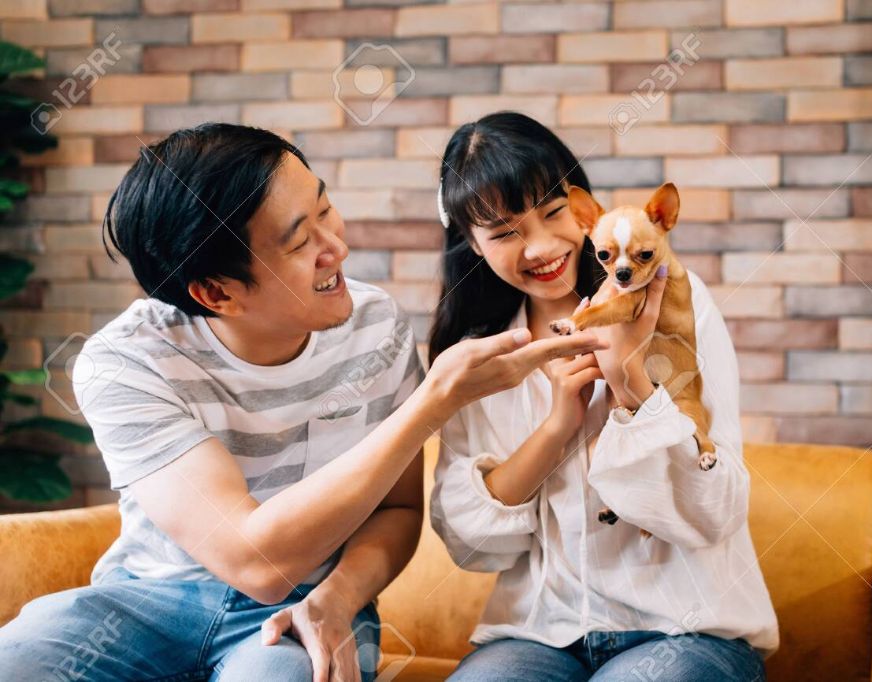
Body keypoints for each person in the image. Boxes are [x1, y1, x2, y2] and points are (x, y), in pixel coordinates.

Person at [0, 123, 605, 682]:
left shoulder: (376, 330)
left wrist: (339, 598)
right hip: (148, 599)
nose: (335, 247)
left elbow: (396, 513)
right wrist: (431, 403)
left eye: (324, 209)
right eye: (298, 243)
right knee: (20, 658)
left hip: (311, 604)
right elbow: (257, 563)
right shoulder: (127, 362)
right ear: (217, 292)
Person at [429, 112, 779, 681]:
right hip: (540, 633)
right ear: (470, 244)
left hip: (687, 629)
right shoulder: (476, 356)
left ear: (584, 209)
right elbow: (470, 547)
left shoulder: (682, 310)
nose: (541, 246)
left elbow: (717, 512)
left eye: (551, 212)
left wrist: (630, 382)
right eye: (504, 232)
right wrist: (556, 427)